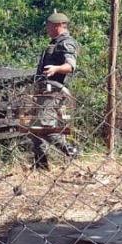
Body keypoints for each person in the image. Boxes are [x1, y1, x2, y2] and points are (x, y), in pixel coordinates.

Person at [31, 11, 80, 169]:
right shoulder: (54, 43)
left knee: (44, 126)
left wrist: (56, 68)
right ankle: (41, 166)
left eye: (49, 26)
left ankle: (71, 151)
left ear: (58, 26)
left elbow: (70, 66)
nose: (47, 29)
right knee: (35, 128)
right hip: (44, 91)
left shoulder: (66, 43)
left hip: (54, 92)